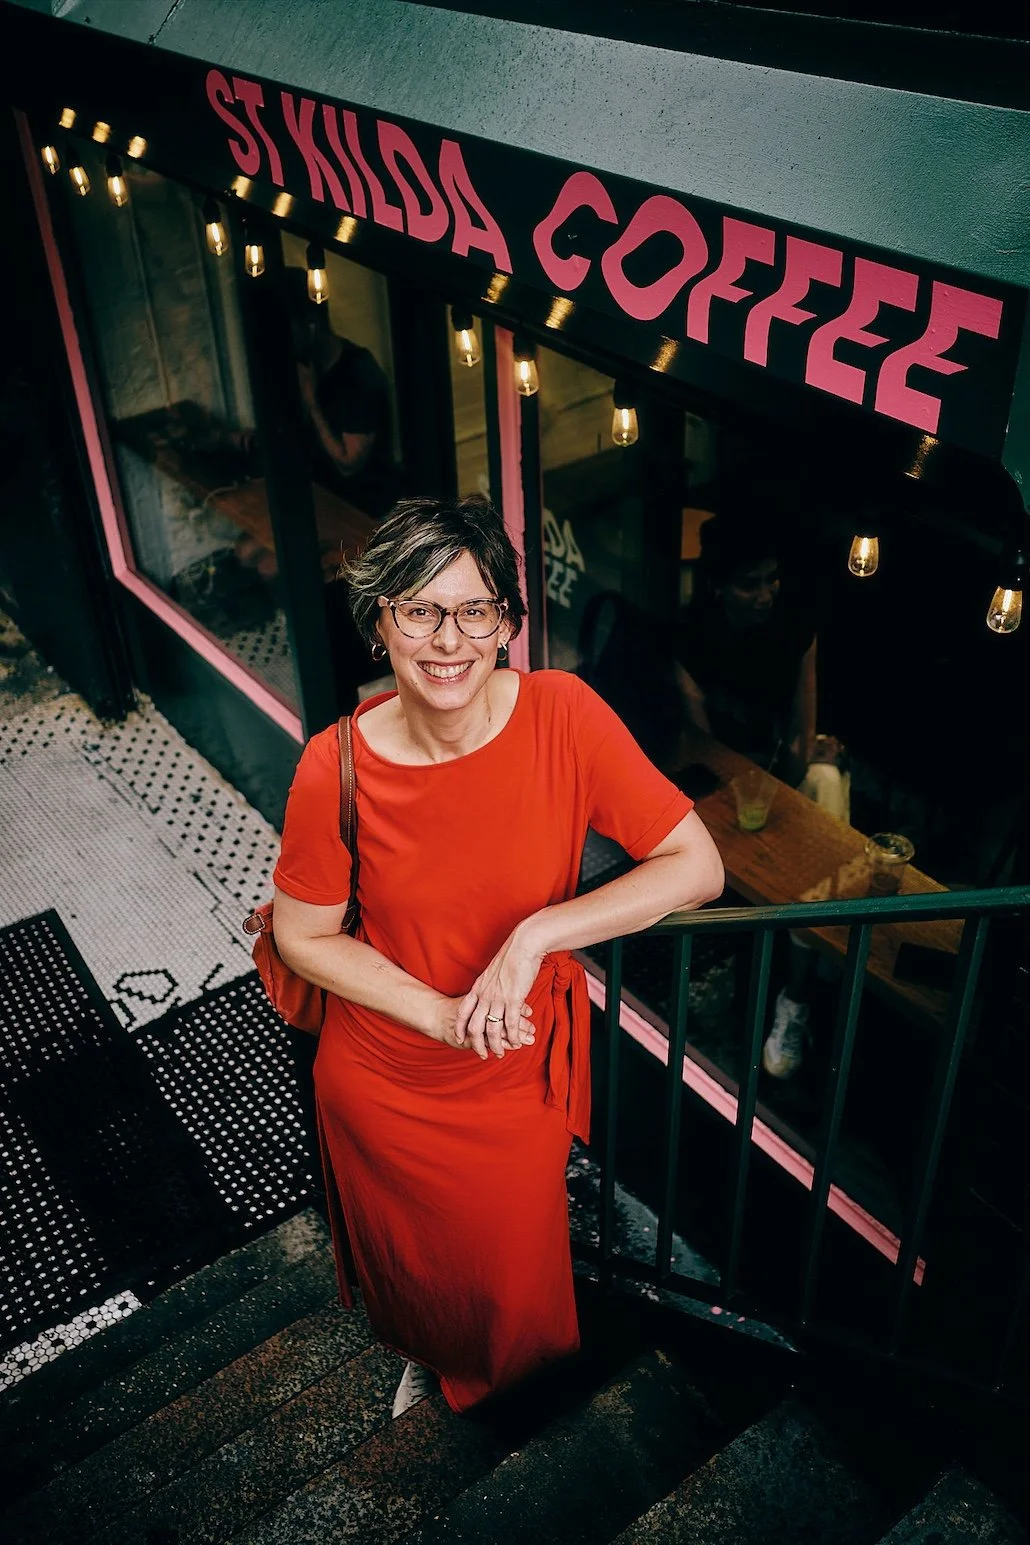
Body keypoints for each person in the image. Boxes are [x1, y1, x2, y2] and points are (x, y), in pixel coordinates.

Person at [270, 495, 724, 1417]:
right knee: (416, 1268)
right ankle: (434, 1352)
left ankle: (511, 1401)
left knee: (517, 1284)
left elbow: (698, 864)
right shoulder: (336, 765)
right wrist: (438, 1013)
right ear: (380, 623)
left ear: (510, 622)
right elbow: (300, 933)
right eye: (419, 609)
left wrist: (539, 932)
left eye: (475, 609)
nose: (449, 639)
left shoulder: (565, 714)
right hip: (385, 1073)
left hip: (511, 1067)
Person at [676, 513, 849, 1080]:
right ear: (720, 585)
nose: (766, 593)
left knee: (825, 784)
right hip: (725, 790)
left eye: (771, 579)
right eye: (751, 582)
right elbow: (702, 746)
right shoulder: (692, 634)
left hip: (782, 781)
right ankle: (809, 955)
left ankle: (794, 994)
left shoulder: (796, 628)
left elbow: (803, 734)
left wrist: (808, 759)